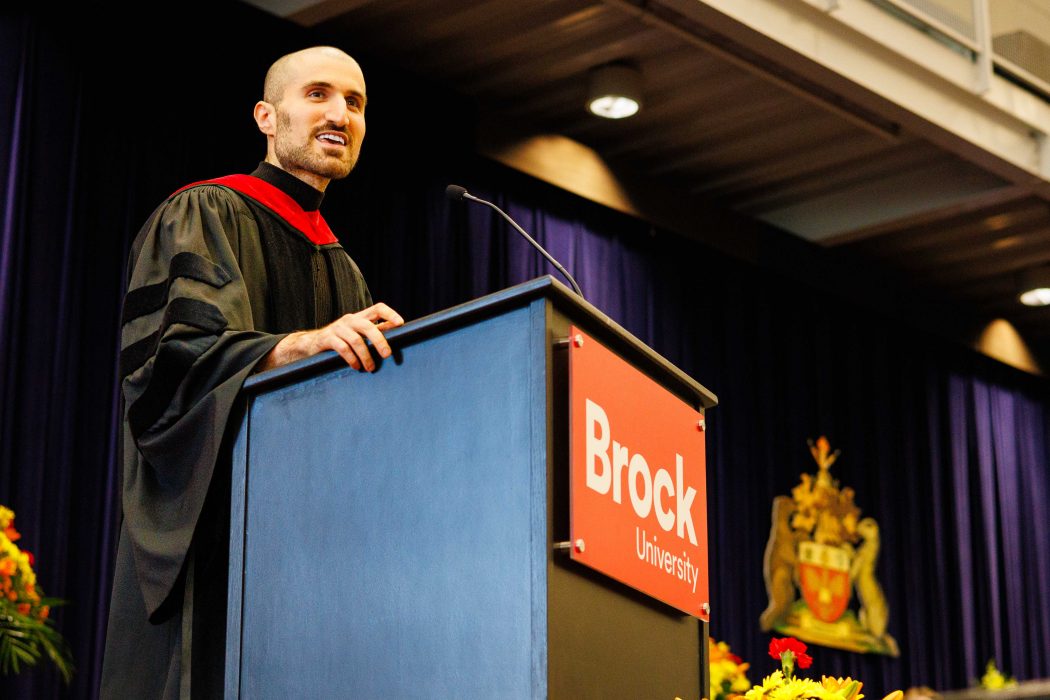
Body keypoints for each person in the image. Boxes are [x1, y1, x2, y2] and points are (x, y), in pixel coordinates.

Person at [100, 46, 403, 699]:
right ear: (267, 116)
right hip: (213, 548)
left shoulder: (345, 269)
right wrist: (295, 347)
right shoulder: (204, 212)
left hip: (308, 570)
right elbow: (170, 363)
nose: (340, 114)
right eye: (317, 94)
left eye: (355, 103)